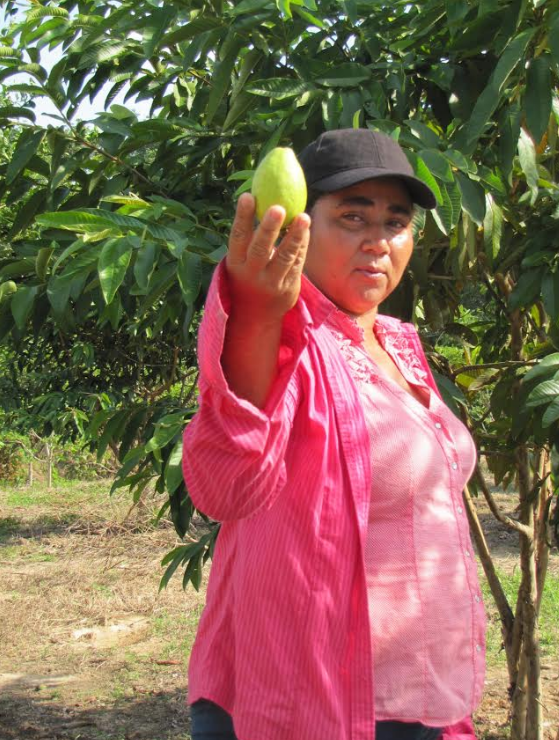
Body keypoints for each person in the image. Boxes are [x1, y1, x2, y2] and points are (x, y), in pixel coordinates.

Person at [182, 128, 485, 740]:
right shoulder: (287, 340)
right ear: (300, 225)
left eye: (395, 222)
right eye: (352, 216)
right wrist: (260, 315)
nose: (378, 241)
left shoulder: (399, 343)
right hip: (315, 703)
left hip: (424, 695)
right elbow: (226, 485)